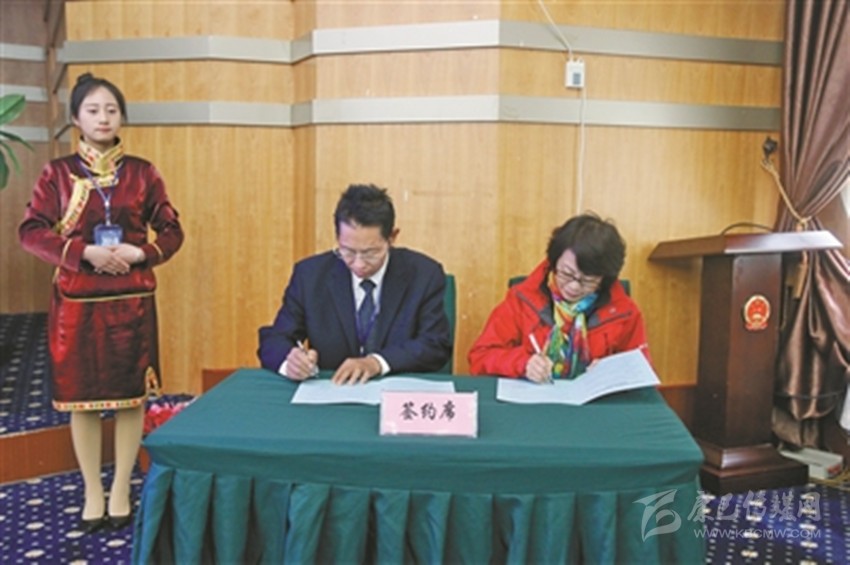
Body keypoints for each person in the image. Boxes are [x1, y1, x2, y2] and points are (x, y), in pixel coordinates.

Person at [19, 73, 184, 532]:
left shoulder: (143, 173)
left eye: (111, 109)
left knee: (131, 399)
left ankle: (121, 487)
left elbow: (172, 231)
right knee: (82, 401)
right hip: (77, 304)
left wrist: (142, 253)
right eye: (93, 110)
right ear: (76, 118)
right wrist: (83, 253)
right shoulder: (57, 174)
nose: (103, 118)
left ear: (122, 116)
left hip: (131, 303)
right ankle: (93, 488)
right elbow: (31, 231)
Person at [258, 183, 452, 384]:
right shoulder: (310, 276)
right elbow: (275, 339)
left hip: (395, 391)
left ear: (392, 238)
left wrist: (377, 363)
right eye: (348, 251)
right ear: (338, 238)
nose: (359, 264)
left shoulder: (424, 275)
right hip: (333, 391)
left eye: (371, 253)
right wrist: (291, 362)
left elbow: (435, 345)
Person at [468, 213, 648, 382]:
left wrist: (613, 372)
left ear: (605, 279)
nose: (574, 287)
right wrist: (523, 364)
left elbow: (642, 375)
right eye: (567, 274)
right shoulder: (522, 300)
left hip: (593, 404)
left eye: (588, 280)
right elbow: (480, 357)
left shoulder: (625, 313)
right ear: (554, 262)